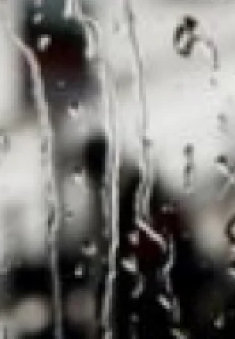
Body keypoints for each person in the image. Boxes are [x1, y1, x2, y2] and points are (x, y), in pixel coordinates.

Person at [80, 136, 212, 339]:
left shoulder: (135, 197)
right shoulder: (131, 194)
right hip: (167, 292)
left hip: (162, 294)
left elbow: (162, 244)